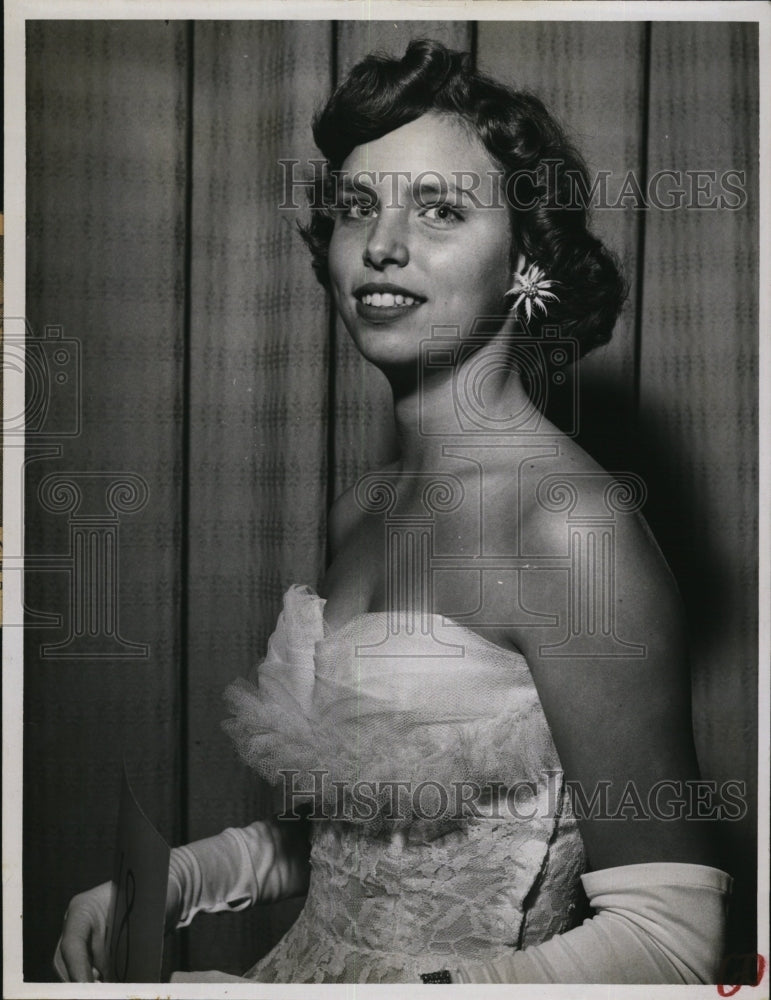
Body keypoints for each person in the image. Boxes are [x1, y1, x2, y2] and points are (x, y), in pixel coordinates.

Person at [56, 39, 732, 984]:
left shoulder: (568, 528)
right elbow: (343, 848)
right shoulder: (360, 511)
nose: (381, 245)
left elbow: (672, 941)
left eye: (441, 210)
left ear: (524, 259)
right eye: (357, 209)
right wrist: (169, 883)